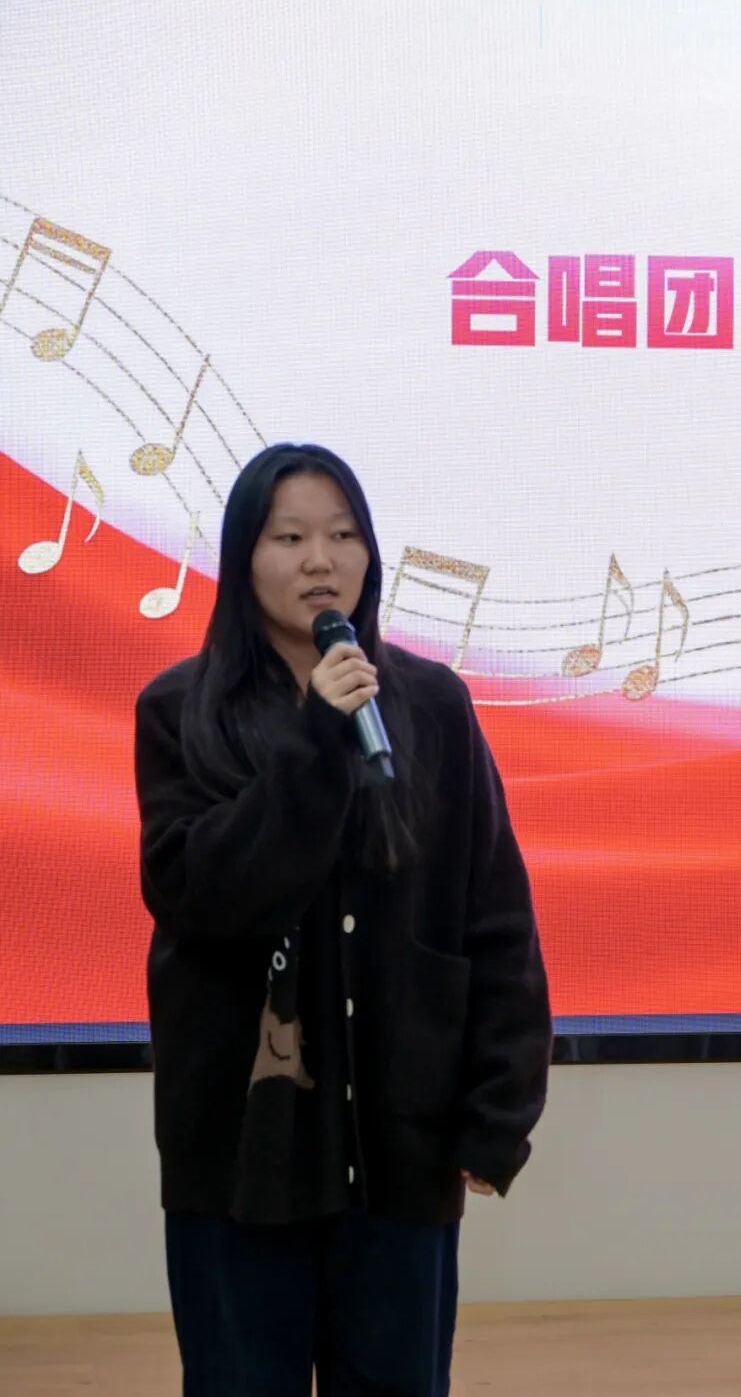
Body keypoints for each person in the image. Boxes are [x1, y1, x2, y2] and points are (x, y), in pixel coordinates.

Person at [134, 443, 552, 1397]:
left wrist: (500, 1110)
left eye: (343, 534)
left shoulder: (431, 704)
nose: (320, 560)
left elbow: (496, 915)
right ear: (243, 557)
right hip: (239, 1152)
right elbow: (200, 895)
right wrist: (316, 741)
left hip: (398, 1149)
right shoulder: (179, 710)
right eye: (289, 538)